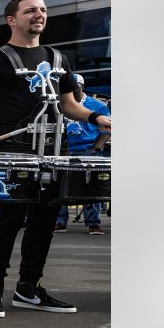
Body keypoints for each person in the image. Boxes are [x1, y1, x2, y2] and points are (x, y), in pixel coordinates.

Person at [0, 0, 111, 318]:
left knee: (45, 221)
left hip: (56, 150)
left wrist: (97, 118)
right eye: (30, 10)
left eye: (42, 9)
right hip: (15, 150)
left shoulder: (58, 58)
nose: (38, 14)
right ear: (11, 19)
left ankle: (29, 286)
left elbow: (69, 105)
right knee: (8, 220)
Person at [55, 74, 110, 234]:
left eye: (75, 86)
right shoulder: (59, 104)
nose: (72, 89)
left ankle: (93, 222)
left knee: (91, 187)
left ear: (82, 86)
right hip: (64, 150)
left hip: (88, 150)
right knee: (61, 186)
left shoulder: (96, 105)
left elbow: (106, 129)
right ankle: (59, 221)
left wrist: (97, 147)